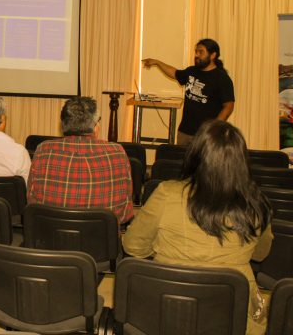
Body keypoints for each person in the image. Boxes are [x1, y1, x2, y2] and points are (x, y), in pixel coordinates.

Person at [122, 120, 273, 335]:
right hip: (232, 315)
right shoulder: (257, 205)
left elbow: (133, 246)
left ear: (196, 155)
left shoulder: (167, 193)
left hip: (165, 308)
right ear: (242, 160)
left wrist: (163, 249)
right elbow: (260, 254)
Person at [27, 96, 133, 225]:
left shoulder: (43, 150)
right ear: (95, 126)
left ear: (63, 125)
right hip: (101, 240)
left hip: (50, 239)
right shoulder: (117, 152)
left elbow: (31, 202)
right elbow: (125, 213)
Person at [142, 38, 235, 145]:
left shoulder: (222, 78)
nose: (197, 55)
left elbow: (229, 106)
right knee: (183, 161)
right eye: (196, 52)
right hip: (185, 132)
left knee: (203, 162)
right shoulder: (192, 71)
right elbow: (174, 73)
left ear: (213, 55)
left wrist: (214, 128)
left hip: (206, 135)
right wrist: (157, 62)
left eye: (201, 52)